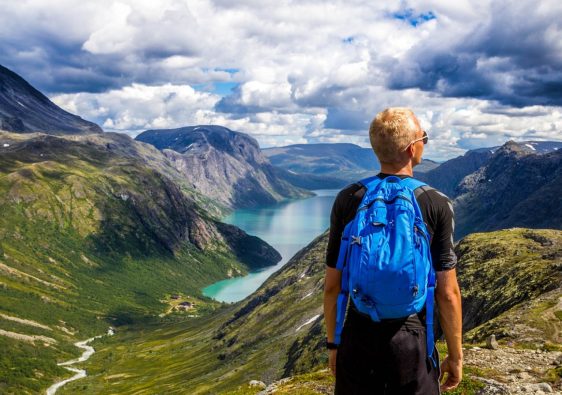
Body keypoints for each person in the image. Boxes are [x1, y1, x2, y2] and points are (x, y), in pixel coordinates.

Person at [323, 107, 463, 394]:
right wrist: (455, 356)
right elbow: (447, 292)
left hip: (359, 333)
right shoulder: (435, 202)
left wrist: (334, 345)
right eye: (424, 137)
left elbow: (333, 287)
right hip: (411, 338)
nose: (425, 141)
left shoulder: (349, 198)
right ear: (413, 148)